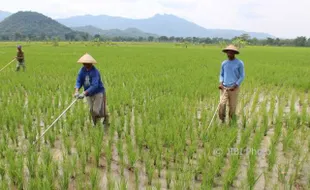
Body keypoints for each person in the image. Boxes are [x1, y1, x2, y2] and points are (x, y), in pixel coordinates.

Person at [74, 53, 109, 126]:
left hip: (98, 92)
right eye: (84, 63)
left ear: (90, 63)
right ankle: (96, 124)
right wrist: (76, 91)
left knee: (96, 110)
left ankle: (106, 117)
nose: (86, 65)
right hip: (88, 94)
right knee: (91, 110)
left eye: (87, 63)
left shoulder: (95, 72)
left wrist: (84, 93)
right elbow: (79, 81)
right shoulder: (81, 71)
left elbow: (94, 85)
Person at [218, 45, 245, 123]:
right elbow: (221, 74)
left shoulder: (239, 63)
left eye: (231, 52)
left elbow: (242, 76)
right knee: (222, 105)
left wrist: (235, 85)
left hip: (234, 89)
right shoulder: (224, 63)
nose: (229, 54)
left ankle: (231, 121)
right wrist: (220, 83)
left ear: (234, 53)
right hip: (224, 88)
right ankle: (222, 121)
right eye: (228, 52)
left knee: (232, 107)